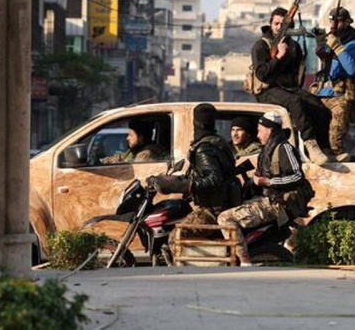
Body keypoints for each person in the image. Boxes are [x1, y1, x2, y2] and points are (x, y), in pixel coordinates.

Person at [217, 111, 308, 267]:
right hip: (264, 198)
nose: (258, 135)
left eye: (260, 130)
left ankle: (244, 262)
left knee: (226, 218)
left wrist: (270, 182)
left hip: (276, 202)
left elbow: (297, 177)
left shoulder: (284, 148)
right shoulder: (267, 150)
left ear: (270, 129)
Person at [251, 7, 331, 165]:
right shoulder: (261, 45)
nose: (280, 27)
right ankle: (310, 144)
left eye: (284, 24)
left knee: (320, 108)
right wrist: (279, 57)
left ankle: (325, 149)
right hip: (268, 90)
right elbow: (261, 74)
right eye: (276, 23)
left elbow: (297, 74)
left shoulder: (294, 47)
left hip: (289, 88)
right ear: (271, 24)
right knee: (295, 102)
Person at [148, 103, 240, 237]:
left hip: (214, 208)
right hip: (222, 202)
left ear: (196, 123)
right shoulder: (217, 141)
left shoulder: (204, 148)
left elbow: (214, 178)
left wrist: (187, 185)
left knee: (175, 238)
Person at [312, 7, 355, 161]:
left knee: (336, 131)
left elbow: (352, 69)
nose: (333, 24)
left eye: (338, 21)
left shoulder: (353, 44)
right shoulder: (331, 39)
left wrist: (338, 48)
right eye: (331, 20)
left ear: (347, 22)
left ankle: (336, 154)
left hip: (340, 94)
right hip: (322, 91)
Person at [101, 120, 165, 164]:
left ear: (140, 138)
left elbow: (135, 170)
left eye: (131, 135)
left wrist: (119, 165)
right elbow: (121, 157)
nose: (127, 138)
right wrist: (104, 160)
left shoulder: (145, 154)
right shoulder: (134, 150)